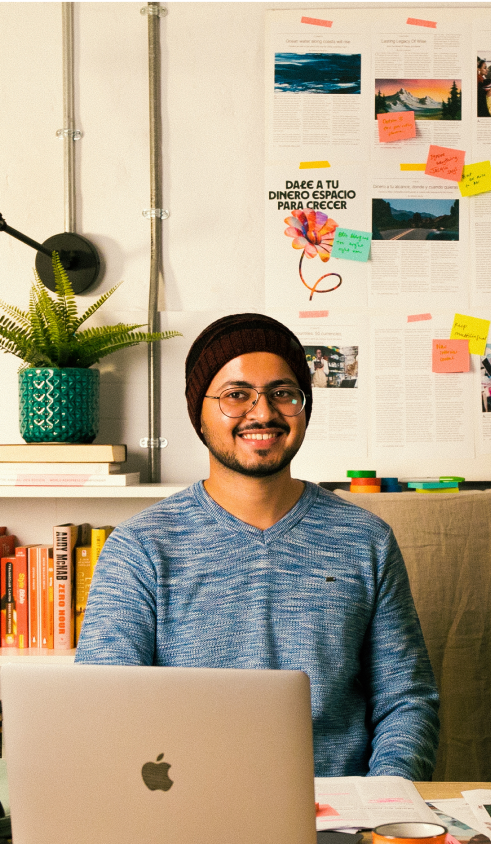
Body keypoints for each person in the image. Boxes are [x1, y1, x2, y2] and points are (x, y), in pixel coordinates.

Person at [76, 314, 440, 779]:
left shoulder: (365, 539)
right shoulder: (140, 548)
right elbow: (104, 708)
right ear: (199, 414)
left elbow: (406, 700)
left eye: (283, 394)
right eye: (236, 395)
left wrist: (384, 799)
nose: (263, 413)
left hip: (341, 820)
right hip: (187, 816)